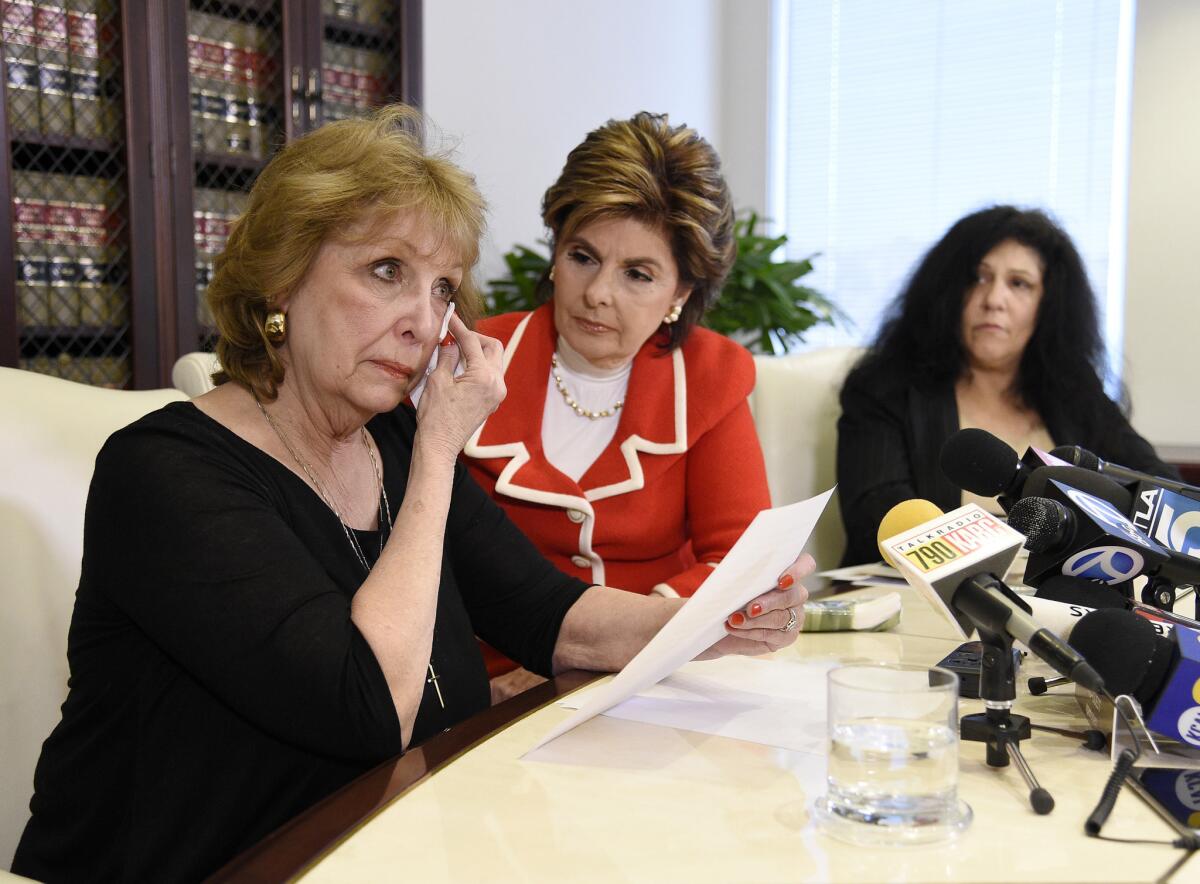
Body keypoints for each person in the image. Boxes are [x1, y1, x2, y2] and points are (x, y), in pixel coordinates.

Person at [11, 106, 812, 883]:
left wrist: (711, 623)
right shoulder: (163, 473)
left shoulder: (387, 440)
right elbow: (365, 709)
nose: (423, 322)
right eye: (386, 272)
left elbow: (549, 614)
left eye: (441, 290)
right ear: (284, 277)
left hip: (394, 842)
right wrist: (437, 449)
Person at [462, 112, 772, 699]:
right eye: (583, 257)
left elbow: (739, 560)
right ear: (556, 252)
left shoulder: (711, 376)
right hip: (493, 686)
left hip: (651, 677)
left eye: (637, 274)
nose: (599, 292)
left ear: (680, 294)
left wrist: (615, 644)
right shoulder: (473, 359)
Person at [837, 205, 1177, 566]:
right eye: (978, 278)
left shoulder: (1073, 395)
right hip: (919, 603)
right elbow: (877, 519)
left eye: (1019, 284)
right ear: (947, 293)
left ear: (1047, 306)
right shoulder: (884, 389)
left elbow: (1160, 491)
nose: (994, 300)